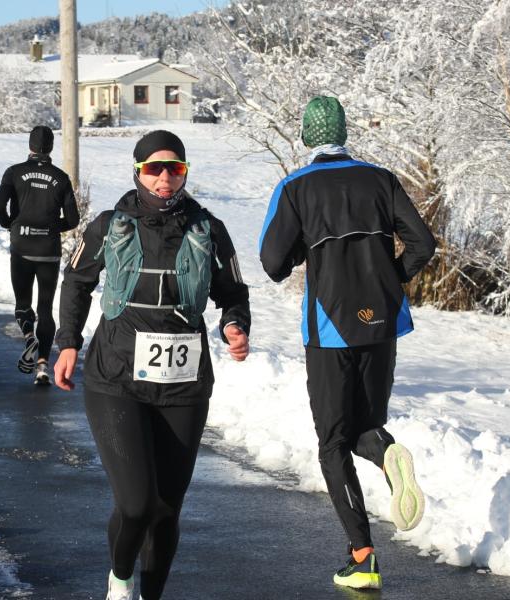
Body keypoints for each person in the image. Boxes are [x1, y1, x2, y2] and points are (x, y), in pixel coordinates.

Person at [54, 130, 251, 600]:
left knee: (166, 508)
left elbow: (233, 294)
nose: (165, 178)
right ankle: (119, 582)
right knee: (137, 503)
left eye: (175, 168)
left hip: (184, 384)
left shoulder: (209, 229)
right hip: (116, 377)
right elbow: (76, 282)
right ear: (138, 172)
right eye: (154, 169)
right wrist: (66, 343)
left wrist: (234, 326)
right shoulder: (109, 224)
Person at [258, 96, 437, 590]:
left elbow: (272, 264)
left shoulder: (295, 187)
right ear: (345, 131)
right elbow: (423, 242)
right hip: (383, 325)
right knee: (364, 424)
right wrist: (390, 281)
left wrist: (301, 247)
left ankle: (363, 558)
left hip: (330, 329)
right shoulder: (381, 178)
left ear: (306, 135)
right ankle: (385, 454)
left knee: (333, 442)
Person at [0, 125, 79, 385]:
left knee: (22, 304)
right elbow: (73, 219)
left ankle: (29, 336)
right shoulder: (61, 178)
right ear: (51, 147)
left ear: (30, 146)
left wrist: (10, 223)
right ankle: (42, 365)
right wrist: (52, 228)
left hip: (22, 248)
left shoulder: (14, 172)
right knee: (45, 308)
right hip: (48, 252)